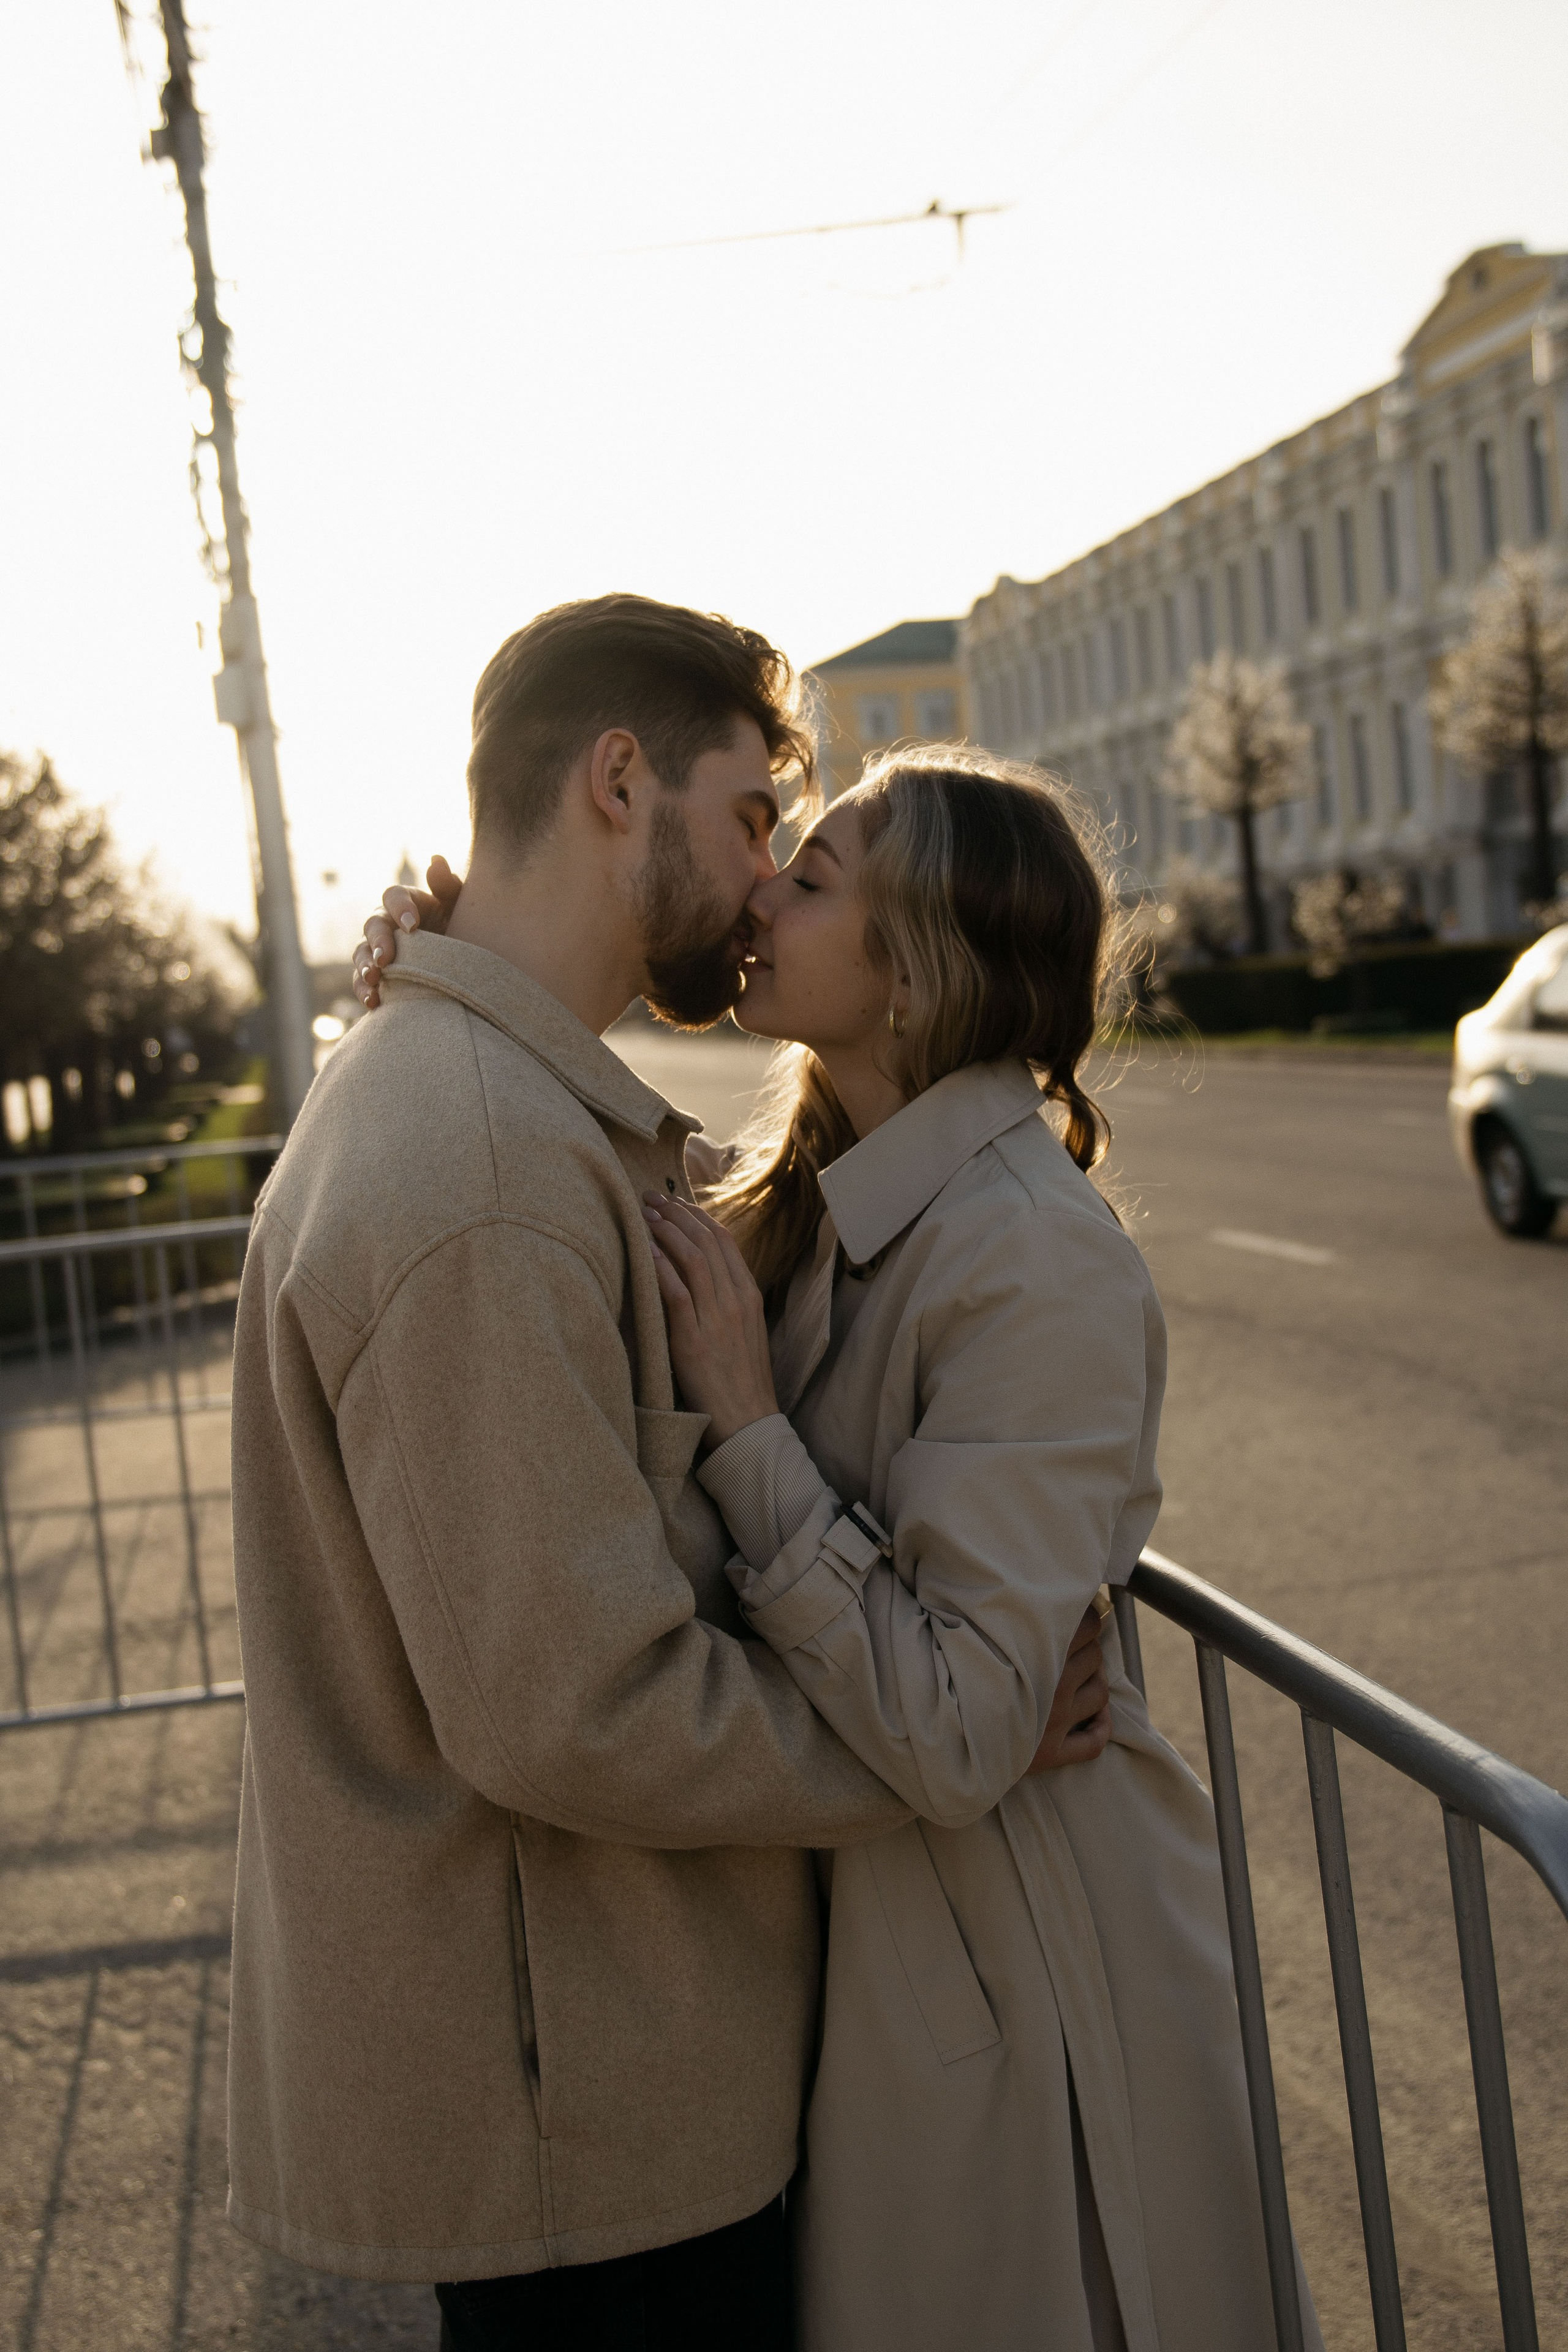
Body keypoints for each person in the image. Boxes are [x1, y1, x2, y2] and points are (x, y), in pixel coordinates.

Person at [228, 592, 1112, 2352]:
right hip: (592, 2126)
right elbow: (576, 1709)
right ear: (620, 783)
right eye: (752, 817)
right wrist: (952, 1749)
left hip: (598, 2081)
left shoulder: (487, 1098)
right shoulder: (479, 1163)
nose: (764, 875)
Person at [364, 742, 1325, 2352]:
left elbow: (959, 1726)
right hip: (894, 1928)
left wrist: (753, 1433)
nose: (760, 894)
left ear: (920, 964)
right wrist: (464, 977)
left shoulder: (1037, 1262)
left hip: (1023, 1965)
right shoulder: (819, 1199)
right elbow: (613, 1207)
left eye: (811, 877)